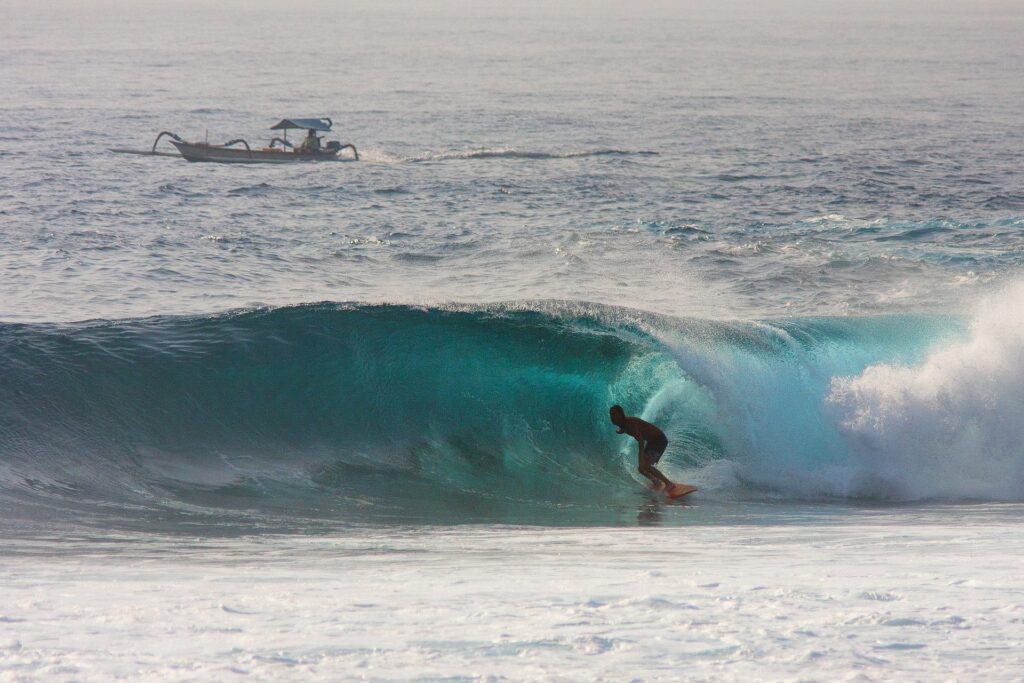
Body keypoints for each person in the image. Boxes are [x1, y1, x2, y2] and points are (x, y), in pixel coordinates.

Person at [609, 405, 676, 491]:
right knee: (641, 469)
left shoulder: (629, 424)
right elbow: (624, 429)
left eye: (614, 414)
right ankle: (656, 481)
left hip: (659, 440)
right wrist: (621, 430)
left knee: (645, 466)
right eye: (611, 414)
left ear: (621, 414)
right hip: (651, 442)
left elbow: (641, 441)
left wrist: (640, 457)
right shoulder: (623, 425)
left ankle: (669, 483)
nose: (612, 416)